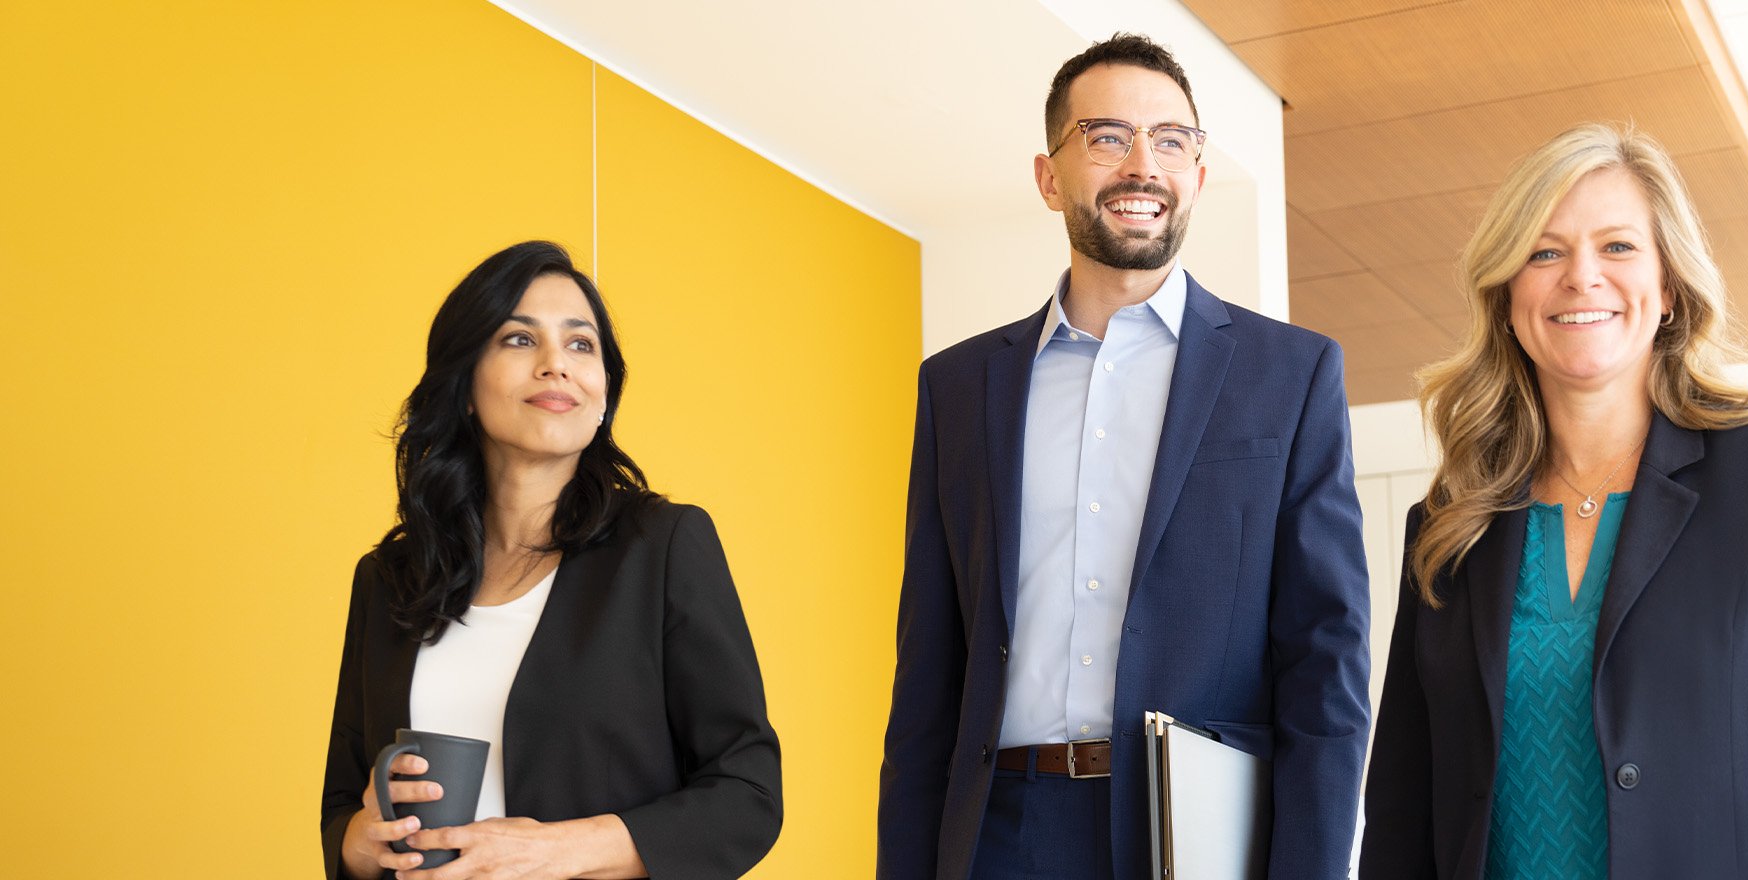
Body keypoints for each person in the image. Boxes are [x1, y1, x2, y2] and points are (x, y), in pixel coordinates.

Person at [876, 33, 1372, 880]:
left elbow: (1327, 663)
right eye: (1108, 137)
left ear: (1199, 176)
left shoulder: (1290, 375)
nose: (1143, 164)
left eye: (1172, 141)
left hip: (1196, 833)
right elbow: (928, 672)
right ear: (1049, 176)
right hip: (1002, 831)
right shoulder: (957, 389)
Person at [1360, 123, 1748, 879]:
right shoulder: (1451, 525)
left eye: (1617, 247)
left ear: (1669, 287)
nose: (1581, 277)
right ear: (1509, 294)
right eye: (1545, 251)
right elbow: (1400, 811)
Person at [320, 241, 781, 879]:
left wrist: (555, 851)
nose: (555, 365)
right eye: (518, 339)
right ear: (464, 385)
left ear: (603, 394)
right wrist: (359, 843)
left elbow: (747, 795)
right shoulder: (392, 577)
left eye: (580, 344)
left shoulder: (663, 545)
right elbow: (343, 804)